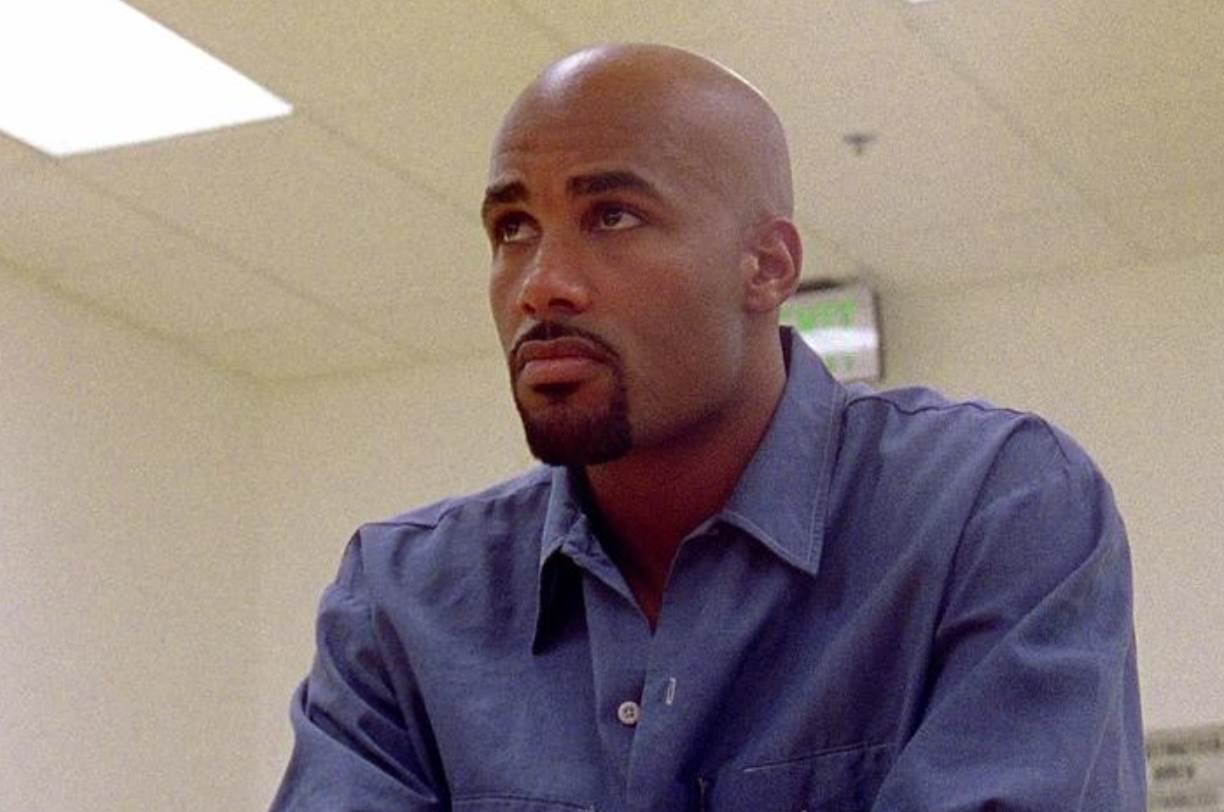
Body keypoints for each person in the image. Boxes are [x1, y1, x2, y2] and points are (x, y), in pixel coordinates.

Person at [270, 43, 1146, 810]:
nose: (542, 284)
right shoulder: (403, 601)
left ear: (766, 266)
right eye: (513, 228)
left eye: (612, 216)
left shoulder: (992, 510)